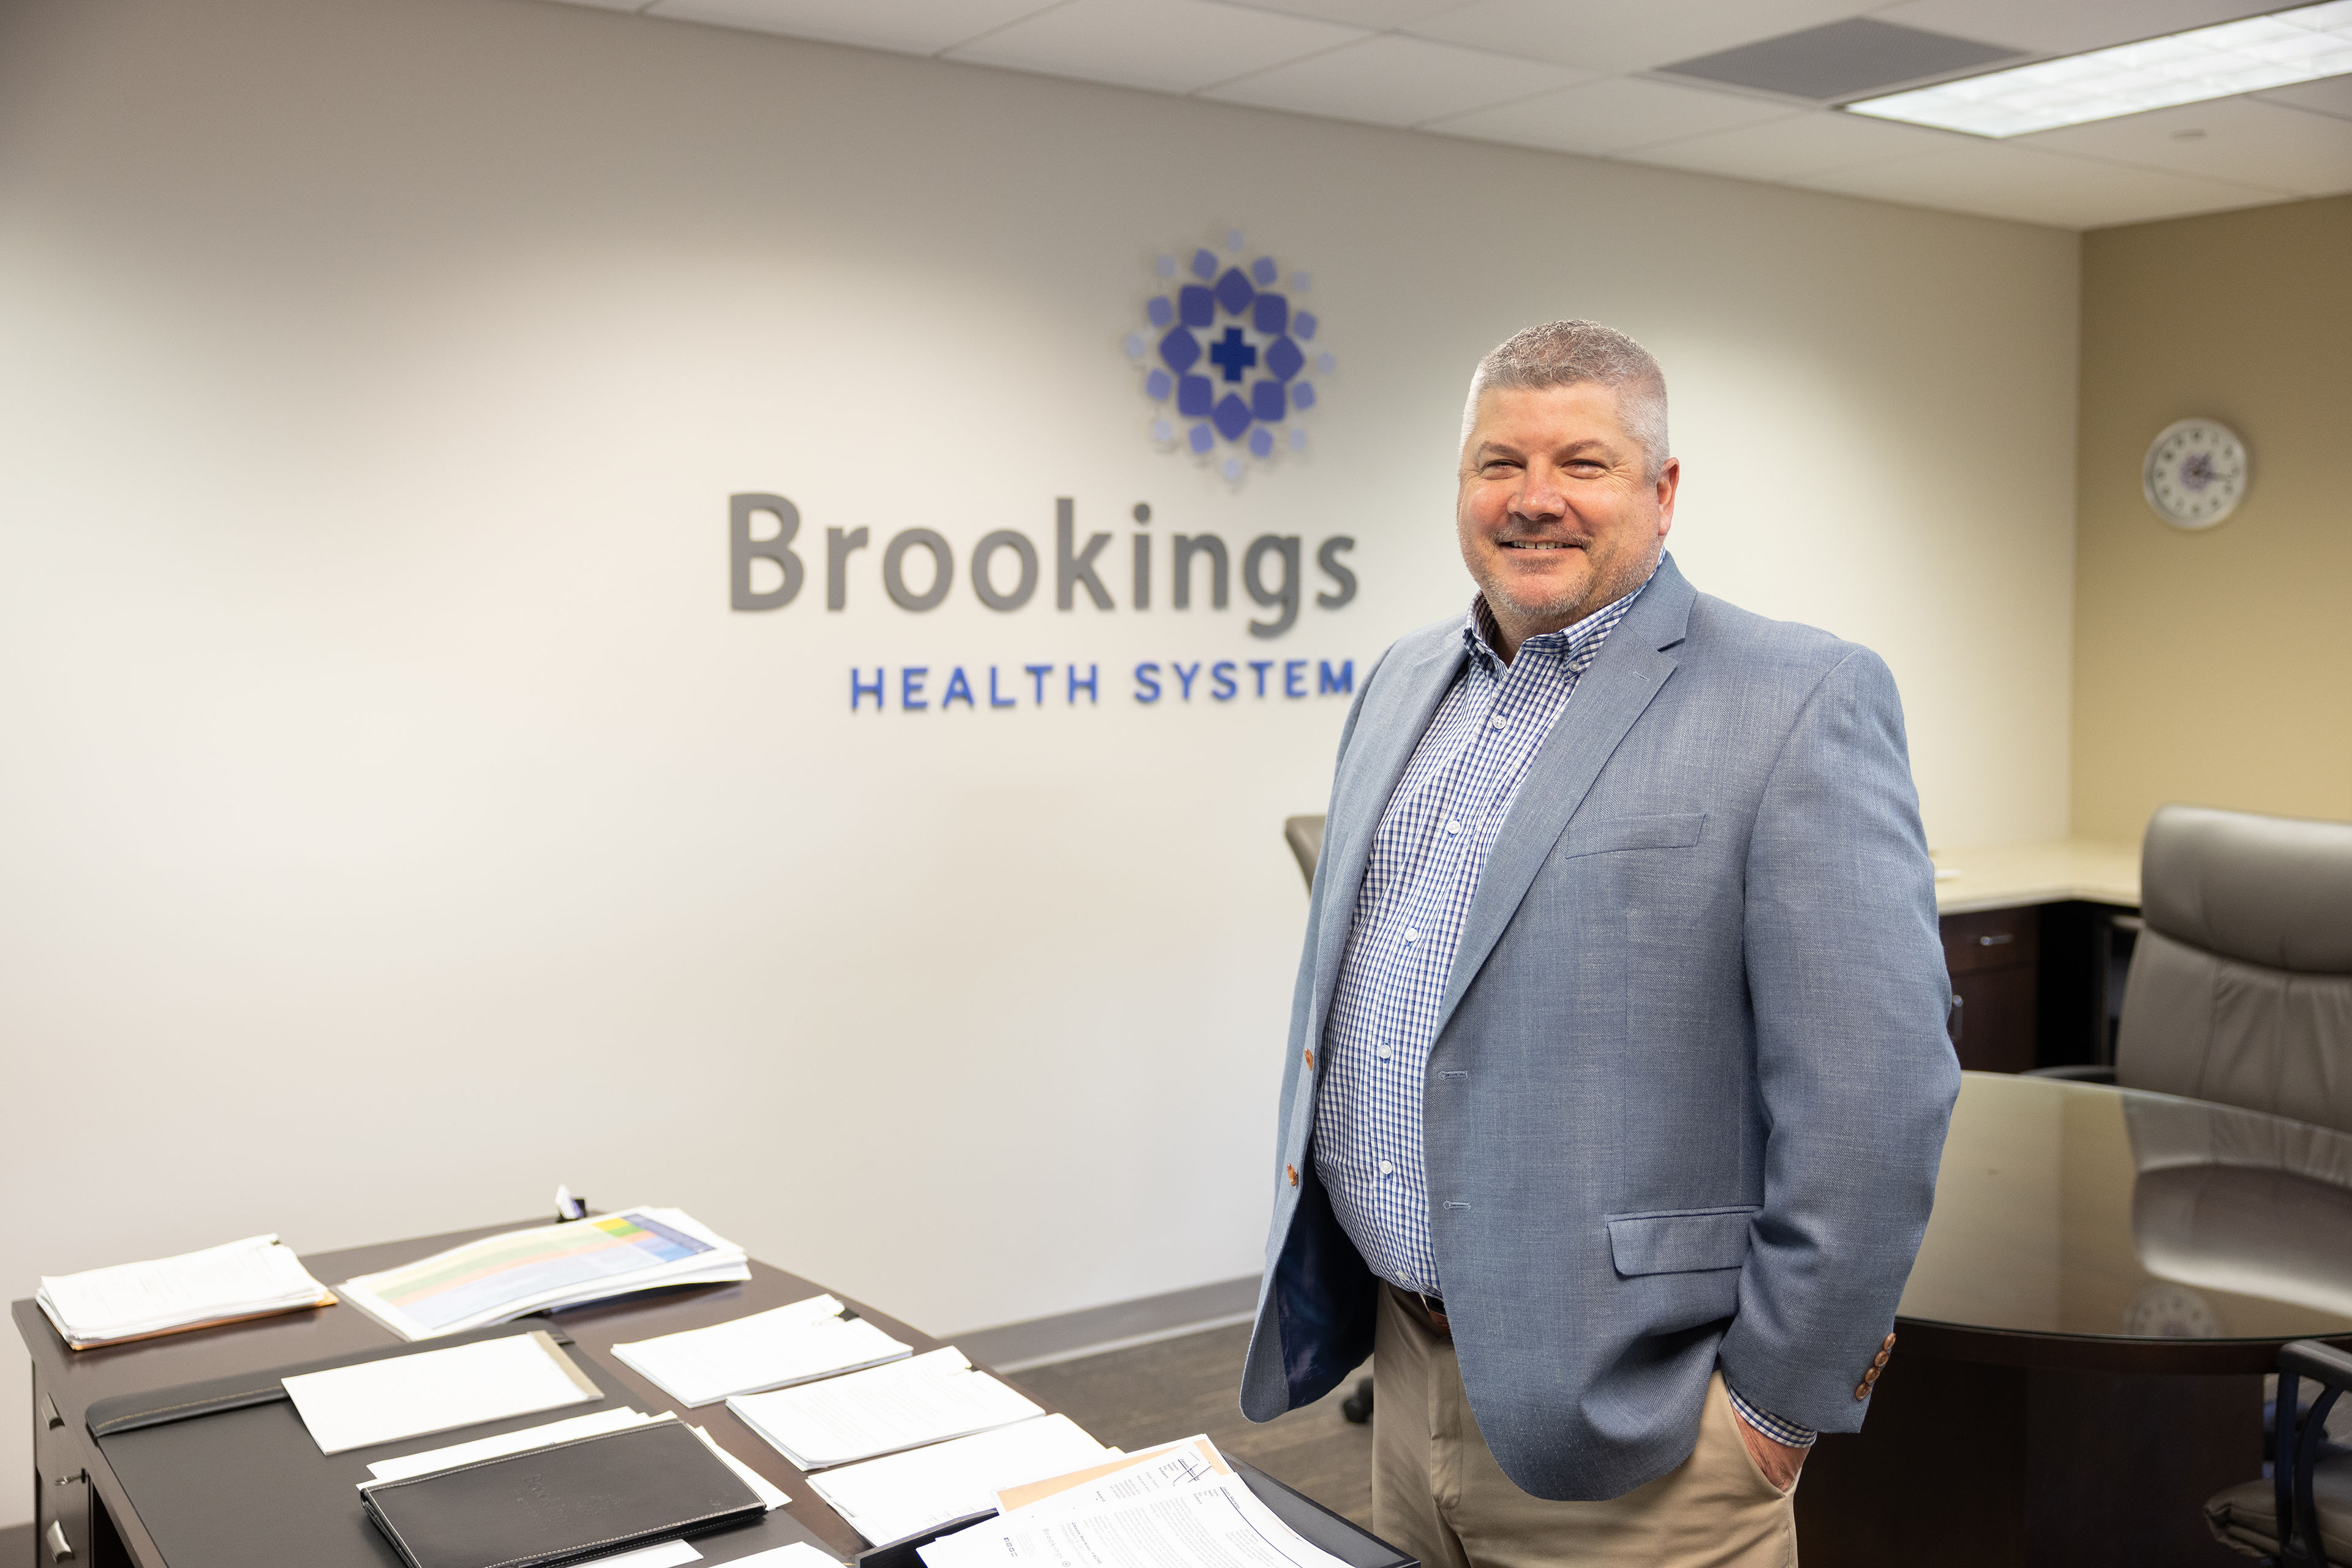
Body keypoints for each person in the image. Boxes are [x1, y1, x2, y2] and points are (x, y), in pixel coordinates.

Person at [1238, 320, 1960, 1567]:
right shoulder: (1406, 682)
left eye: (1582, 462)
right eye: (1496, 463)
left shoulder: (1796, 697)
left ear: (1663, 490)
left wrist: (1776, 1407)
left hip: (1646, 1425)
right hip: (1407, 1376)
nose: (1533, 500)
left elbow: (1876, 1097)